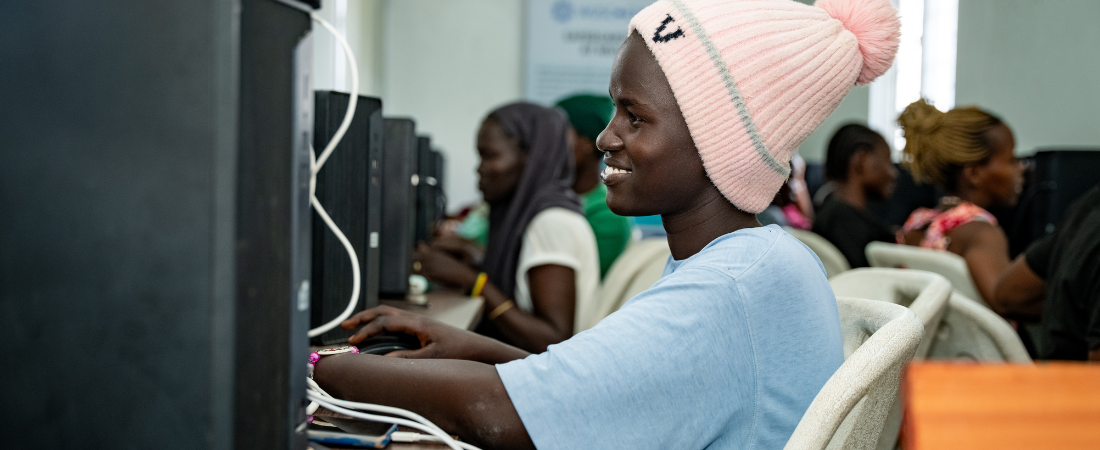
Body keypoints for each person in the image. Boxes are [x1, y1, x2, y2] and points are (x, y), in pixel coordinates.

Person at [313, 0, 900, 448]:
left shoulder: (731, 287)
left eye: (635, 116)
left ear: (718, 141)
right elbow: (602, 388)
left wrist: (315, 368)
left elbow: (493, 415)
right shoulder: (753, 261)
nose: (604, 137)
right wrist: (473, 348)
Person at [412, 102, 601, 353]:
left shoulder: (553, 223)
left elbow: (552, 339)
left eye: (489, 155)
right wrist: (476, 263)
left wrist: (474, 282)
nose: (479, 168)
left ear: (530, 158)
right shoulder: (537, 215)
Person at [896, 99, 1024, 304]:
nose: (1021, 168)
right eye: (1011, 160)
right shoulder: (981, 232)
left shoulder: (918, 222)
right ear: (973, 173)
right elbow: (1006, 303)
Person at [991, 184, 1100, 361]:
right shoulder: (981, 230)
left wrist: (1069, 312)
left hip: (1052, 373)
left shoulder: (1088, 204)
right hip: (1078, 385)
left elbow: (1008, 295)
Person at [556, 94, 633, 278]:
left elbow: (580, 283)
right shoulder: (550, 196)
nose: (547, 145)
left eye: (558, 134)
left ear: (587, 142)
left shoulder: (607, 213)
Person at [812, 124, 898, 267]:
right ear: (862, 160)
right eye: (888, 161)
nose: (893, 174)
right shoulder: (840, 221)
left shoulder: (831, 214)